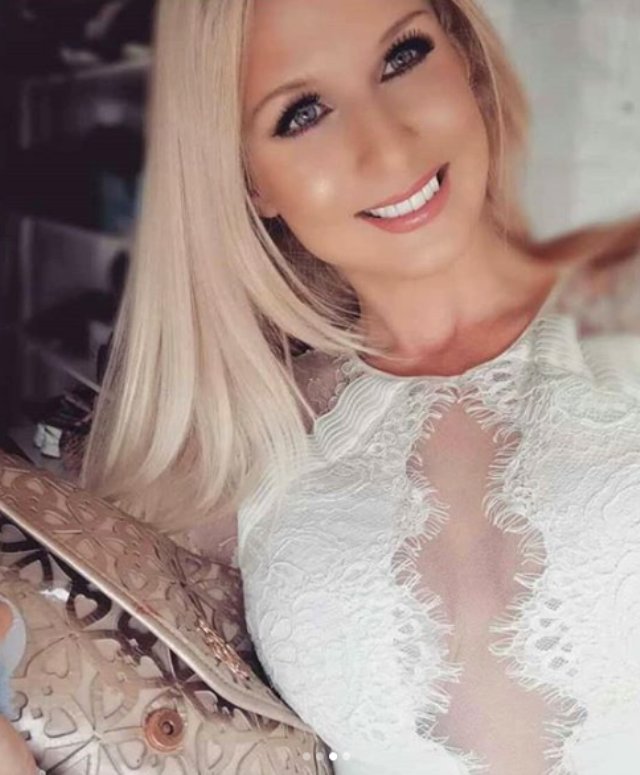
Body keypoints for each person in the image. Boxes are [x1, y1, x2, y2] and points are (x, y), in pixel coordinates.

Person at [82, 0, 640, 773]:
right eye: (302, 113)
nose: (386, 145)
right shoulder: (230, 454)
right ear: (248, 179)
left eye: (402, 57)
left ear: (465, 59)